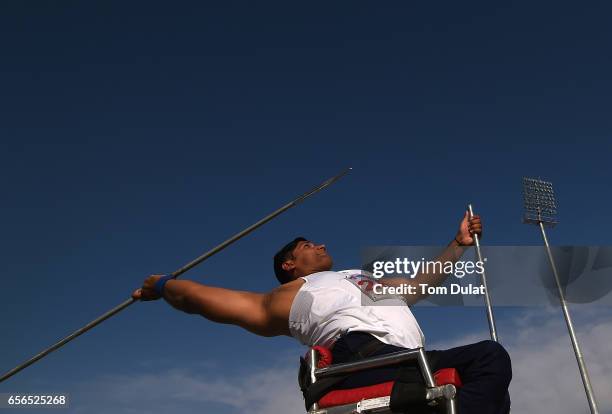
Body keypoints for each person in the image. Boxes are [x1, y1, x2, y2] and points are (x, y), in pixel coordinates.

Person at [133, 211, 511, 413]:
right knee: (485, 360)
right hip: (361, 358)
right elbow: (203, 299)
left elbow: (417, 285)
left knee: (490, 364)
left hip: (410, 359)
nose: (322, 244)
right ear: (289, 265)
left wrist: (457, 245)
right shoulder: (288, 294)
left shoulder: (359, 278)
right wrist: (164, 286)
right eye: (309, 245)